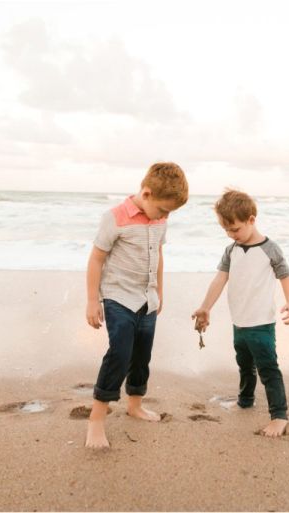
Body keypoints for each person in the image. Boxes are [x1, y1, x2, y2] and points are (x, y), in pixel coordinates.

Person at [85, 162, 188, 448]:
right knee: (120, 353)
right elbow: (96, 259)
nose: (166, 216)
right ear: (146, 193)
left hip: (148, 299)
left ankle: (134, 404)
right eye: (164, 210)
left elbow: (159, 256)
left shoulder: (160, 221)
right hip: (118, 296)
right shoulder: (115, 217)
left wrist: (160, 291)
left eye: (170, 213)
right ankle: (96, 420)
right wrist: (93, 301)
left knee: (142, 355)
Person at [192, 189, 289, 437]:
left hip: (261, 323)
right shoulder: (231, 250)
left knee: (268, 368)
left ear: (251, 219)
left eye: (235, 229)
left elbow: (286, 276)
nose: (231, 234)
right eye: (226, 230)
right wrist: (205, 307)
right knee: (244, 364)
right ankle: (245, 400)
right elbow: (220, 279)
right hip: (239, 322)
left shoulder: (270, 249)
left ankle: (279, 416)